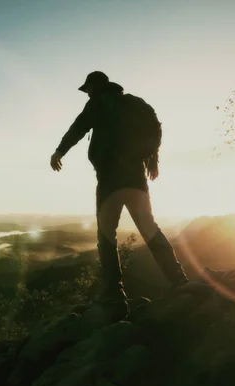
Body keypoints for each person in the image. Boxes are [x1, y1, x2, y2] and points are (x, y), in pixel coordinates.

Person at [50, 71, 189, 321]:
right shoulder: (135, 103)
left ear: (95, 87)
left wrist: (59, 151)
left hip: (110, 180)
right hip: (136, 178)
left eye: (88, 88)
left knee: (106, 234)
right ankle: (178, 279)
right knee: (149, 228)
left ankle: (114, 294)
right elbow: (155, 130)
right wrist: (149, 157)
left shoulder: (97, 103)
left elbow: (78, 128)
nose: (88, 93)